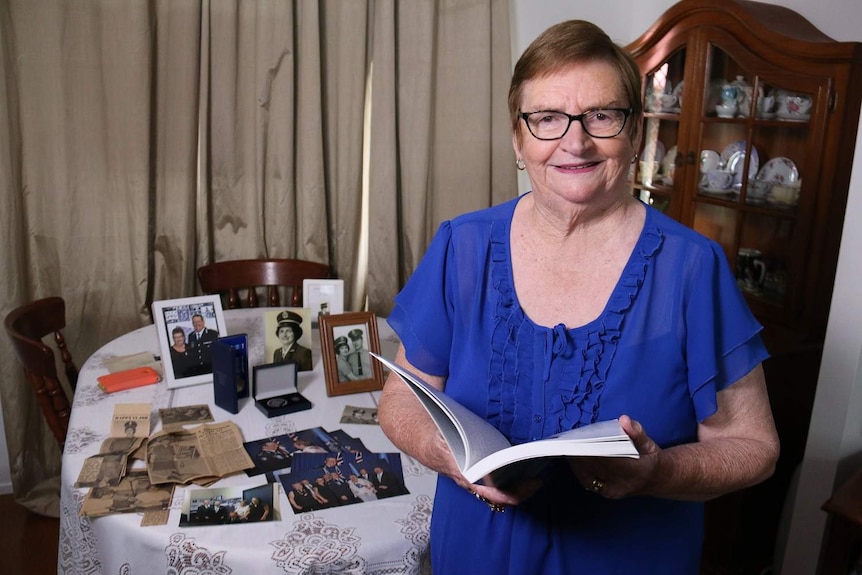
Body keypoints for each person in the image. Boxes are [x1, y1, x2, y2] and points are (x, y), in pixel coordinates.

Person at [377, 19, 779, 575]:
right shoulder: (461, 247)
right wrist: (447, 456)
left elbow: (754, 447)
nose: (575, 141)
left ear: (635, 132)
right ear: (518, 140)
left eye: (602, 115)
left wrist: (660, 473)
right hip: (474, 554)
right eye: (546, 118)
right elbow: (401, 399)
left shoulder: (692, 269)